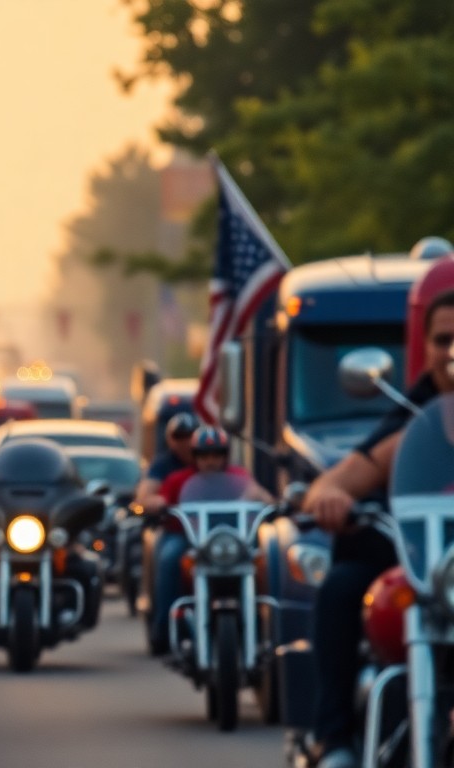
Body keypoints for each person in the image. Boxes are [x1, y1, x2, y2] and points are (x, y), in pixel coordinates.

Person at [301, 289, 454, 768]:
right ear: (425, 347)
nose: (453, 352)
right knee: (343, 587)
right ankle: (336, 741)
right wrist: (329, 496)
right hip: (414, 571)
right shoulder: (410, 418)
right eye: (443, 339)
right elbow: (340, 477)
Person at [148, 426, 272, 654]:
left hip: (231, 542)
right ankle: (163, 631)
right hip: (190, 539)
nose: (211, 462)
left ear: (225, 456)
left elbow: (259, 494)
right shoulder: (178, 480)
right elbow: (157, 499)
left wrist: (261, 498)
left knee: (265, 559)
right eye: (205, 456)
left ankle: (268, 624)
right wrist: (156, 503)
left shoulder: (239, 477)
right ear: (195, 457)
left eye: (216, 455)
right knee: (169, 557)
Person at [136, 412, 199, 515]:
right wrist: (159, 502)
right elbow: (144, 497)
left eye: (190, 436)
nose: (185, 442)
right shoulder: (162, 464)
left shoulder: (206, 460)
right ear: (169, 439)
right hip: (174, 523)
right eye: (179, 437)